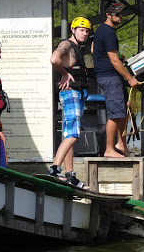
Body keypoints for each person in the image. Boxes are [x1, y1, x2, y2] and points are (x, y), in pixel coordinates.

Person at [92, 2, 139, 158]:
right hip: (110, 77)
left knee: (123, 110)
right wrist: (130, 78)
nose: (121, 16)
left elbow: (93, 49)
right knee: (116, 114)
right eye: (117, 14)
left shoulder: (102, 30)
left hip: (109, 75)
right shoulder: (108, 32)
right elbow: (113, 61)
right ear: (108, 15)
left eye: (121, 13)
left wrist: (116, 56)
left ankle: (121, 145)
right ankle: (109, 149)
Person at [48, 16, 91, 189]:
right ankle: (54, 169)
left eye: (87, 30)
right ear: (73, 30)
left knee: (69, 135)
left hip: (76, 94)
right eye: (81, 30)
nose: (84, 33)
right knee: (73, 134)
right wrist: (64, 73)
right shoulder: (66, 44)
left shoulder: (79, 49)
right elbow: (54, 59)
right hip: (71, 93)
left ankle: (70, 174)